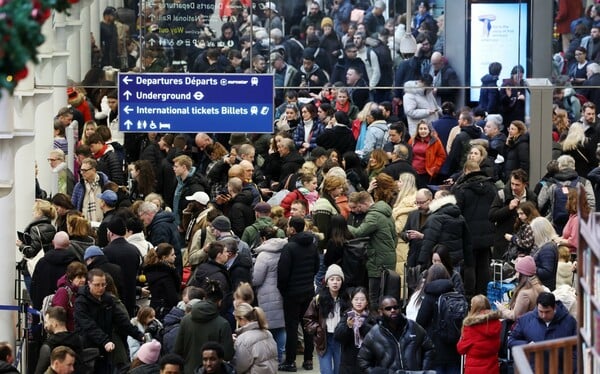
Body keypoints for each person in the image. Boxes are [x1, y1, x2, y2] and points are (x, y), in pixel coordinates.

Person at [74, 269, 144, 372]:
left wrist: (139, 335)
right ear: (89, 283)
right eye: (97, 285)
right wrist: (105, 341)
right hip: (89, 347)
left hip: (107, 347)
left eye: (103, 284)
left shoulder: (107, 299)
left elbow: (121, 320)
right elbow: (89, 325)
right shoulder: (81, 302)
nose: (101, 288)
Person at [277, 216, 319, 372]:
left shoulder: (289, 247)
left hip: (292, 293)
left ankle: (290, 361)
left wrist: (283, 289)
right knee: (308, 325)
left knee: (292, 327)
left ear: (292, 229)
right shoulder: (312, 245)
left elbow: (283, 273)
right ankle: (308, 360)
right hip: (308, 290)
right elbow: (316, 267)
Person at [357, 295, 434, 371]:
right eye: (388, 308)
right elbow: (363, 360)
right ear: (380, 312)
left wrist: (424, 370)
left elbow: (429, 349)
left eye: (396, 307)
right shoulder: (374, 334)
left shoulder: (413, 327)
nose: (393, 310)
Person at [174, 282, 234, 374]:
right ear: (220, 302)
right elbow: (227, 355)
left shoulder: (186, 320)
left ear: (204, 298)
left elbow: (177, 350)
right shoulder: (223, 324)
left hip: (189, 370)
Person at [508, 292, 577, 370]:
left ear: (554, 308)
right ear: (537, 307)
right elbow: (511, 341)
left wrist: (572, 368)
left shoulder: (569, 322)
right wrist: (526, 345)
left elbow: (577, 349)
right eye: (540, 311)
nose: (543, 315)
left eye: (547, 312)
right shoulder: (525, 320)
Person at [416, 263, 462, 373]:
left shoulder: (429, 297)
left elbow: (420, 322)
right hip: (454, 348)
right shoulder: (455, 294)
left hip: (435, 349)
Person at [304, 264, 349, 374]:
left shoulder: (346, 299)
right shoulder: (318, 299)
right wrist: (318, 329)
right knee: (326, 371)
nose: (335, 282)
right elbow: (307, 319)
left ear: (342, 282)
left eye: (338, 279)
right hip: (324, 339)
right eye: (332, 279)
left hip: (340, 339)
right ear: (327, 282)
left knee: (339, 370)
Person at [252, 226, 288, 363]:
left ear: (263, 238)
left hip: (266, 295)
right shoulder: (284, 250)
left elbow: (257, 279)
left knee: (269, 329)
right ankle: (281, 356)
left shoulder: (264, 255)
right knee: (281, 327)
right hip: (282, 292)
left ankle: (272, 358)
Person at [489, 169, 538, 260]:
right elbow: (492, 216)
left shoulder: (531, 197)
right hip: (504, 241)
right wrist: (509, 208)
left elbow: (536, 218)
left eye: (517, 185)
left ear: (525, 184)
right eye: (512, 184)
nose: (514, 187)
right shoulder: (502, 194)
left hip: (523, 244)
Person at [102, 217, 141, 317]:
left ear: (110, 233)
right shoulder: (134, 250)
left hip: (114, 299)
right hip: (131, 296)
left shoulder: (106, 251)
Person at [30, 231, 79, 310]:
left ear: (53, 242)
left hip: (44, 309)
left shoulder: (42, 263)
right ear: (69, 244)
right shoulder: (75, 264)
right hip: (68, 310)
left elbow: (33, 287)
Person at [333, 287, 376, 374]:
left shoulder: (373, 317)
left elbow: (376, 338)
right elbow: (338, 336)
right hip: (349, 363)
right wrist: (348, 326)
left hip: (367, 362)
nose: (359, 302)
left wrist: (362, 326)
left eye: (362, 299)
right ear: (351, 301)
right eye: (356, 299)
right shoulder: (346, 315)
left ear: (367, 302)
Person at [456, 295, 502, 373]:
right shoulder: (496, 323)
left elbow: (461, 349)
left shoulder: (471, 327)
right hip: (492, 367)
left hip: (474, 369)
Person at [495, 255, 547, 321]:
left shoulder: (524, 293)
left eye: (517, 272)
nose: (515, 274)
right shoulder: (539, 287)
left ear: (522, 274)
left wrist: (502, 309)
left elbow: (515, 316)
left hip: (523, 327)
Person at [232, 303, 278, 373]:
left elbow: (239, 367)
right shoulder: (268, 333)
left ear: (242, 319)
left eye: (237, 320)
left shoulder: (243, 339)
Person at [143, 243, 181, 321]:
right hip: (167, 311)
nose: (175, 256)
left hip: (155, 307)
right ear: (164, 257)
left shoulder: (150, 270)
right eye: (172, 255)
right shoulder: (167, 275)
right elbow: (172, 297)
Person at [408, 120, 446, 188]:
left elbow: (442, 156)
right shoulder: (412, 140)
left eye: (425, 129)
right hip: (413, 172)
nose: (423, 131)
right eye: (421, 129)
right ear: (418, 130)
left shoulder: (435, 141)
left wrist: (435, 168)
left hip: (427, 173)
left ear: (429, 130)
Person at [51, 261, 87, 332]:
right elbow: (58, 317)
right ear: (71, 278)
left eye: (84, 277)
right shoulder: (63, 292)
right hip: (67, 336)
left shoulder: (82, 292)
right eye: (79, 277)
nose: (83, 280)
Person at [530, 217, 560, 291]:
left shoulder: (547, 248)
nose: (532, 235)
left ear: (539, 232)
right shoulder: (547, 245)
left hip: (543, 288)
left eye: (533, 232)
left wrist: (529, 267)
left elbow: (546, 272)